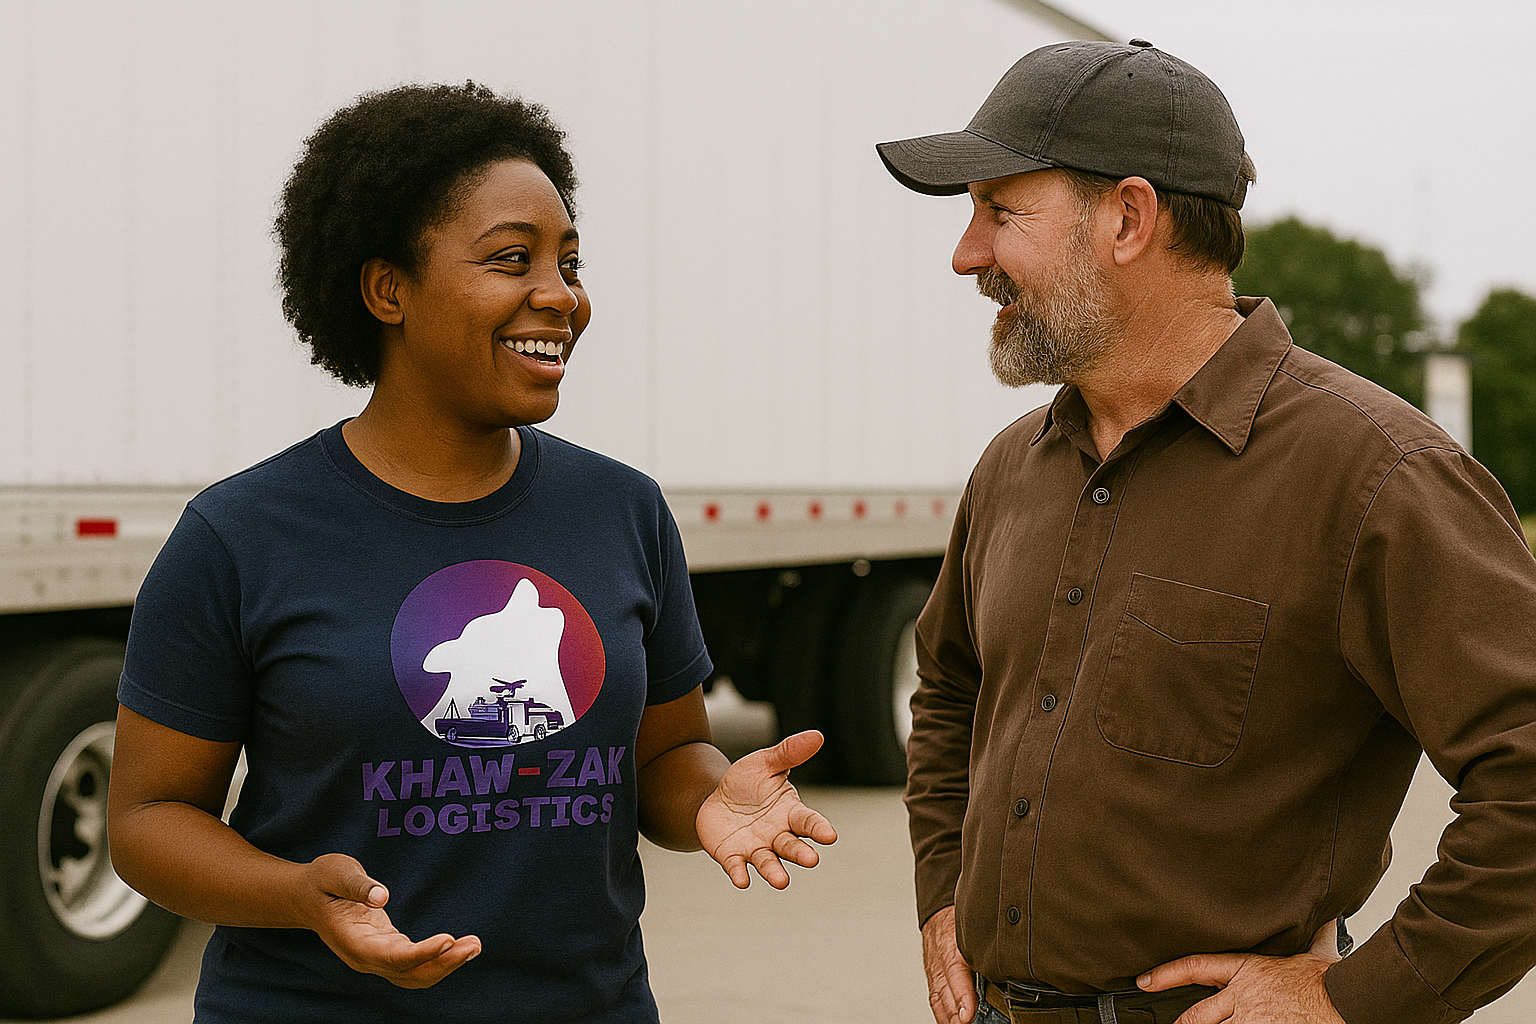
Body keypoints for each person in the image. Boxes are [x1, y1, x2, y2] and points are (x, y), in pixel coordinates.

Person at [106, 82, 836, 1023]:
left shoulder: (622, 509)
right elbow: (146, 822)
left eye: (569, 262)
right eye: (510, 260)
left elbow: (668, 753)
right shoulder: (242, 535)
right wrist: (295, 896)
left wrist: (709, 800)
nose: (560, 296)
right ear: (387, 290)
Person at [876, 39, 1536, 1024]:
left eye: (1000, 211)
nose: (967, 252)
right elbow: (950, 695)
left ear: (1129, 219)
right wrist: (942, 893)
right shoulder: (1012, 466)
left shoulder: (1378, 477)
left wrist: (1358, 997)